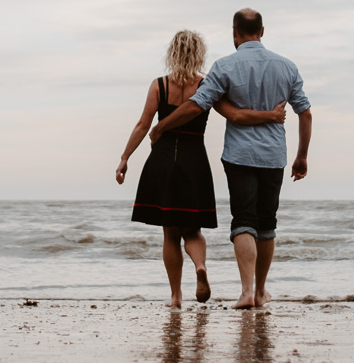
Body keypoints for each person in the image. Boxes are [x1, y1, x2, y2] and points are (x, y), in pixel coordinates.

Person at [150, 9, 311, 309]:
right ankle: (261, 292)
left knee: (243, 222)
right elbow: (306, 112)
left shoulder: (224, 67)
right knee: (267, 224)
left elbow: (196, 105)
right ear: (262, 31)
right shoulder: (287, 66)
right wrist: (301, 157)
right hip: (275, 155)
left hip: (239, 156)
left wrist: (161, 125)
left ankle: (247, 291)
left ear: (235, 33)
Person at [117, 29, 286, 308]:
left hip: (162, 160)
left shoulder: (158, 86)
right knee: (193, 230)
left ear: (172, 52)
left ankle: (175, 297)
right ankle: (200, 266)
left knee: (170, 233)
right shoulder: (206, 85)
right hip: (194, 160)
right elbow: (235, 115)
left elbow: (143, 125)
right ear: (199, 54)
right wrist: (271, 115)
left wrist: (125, 157)